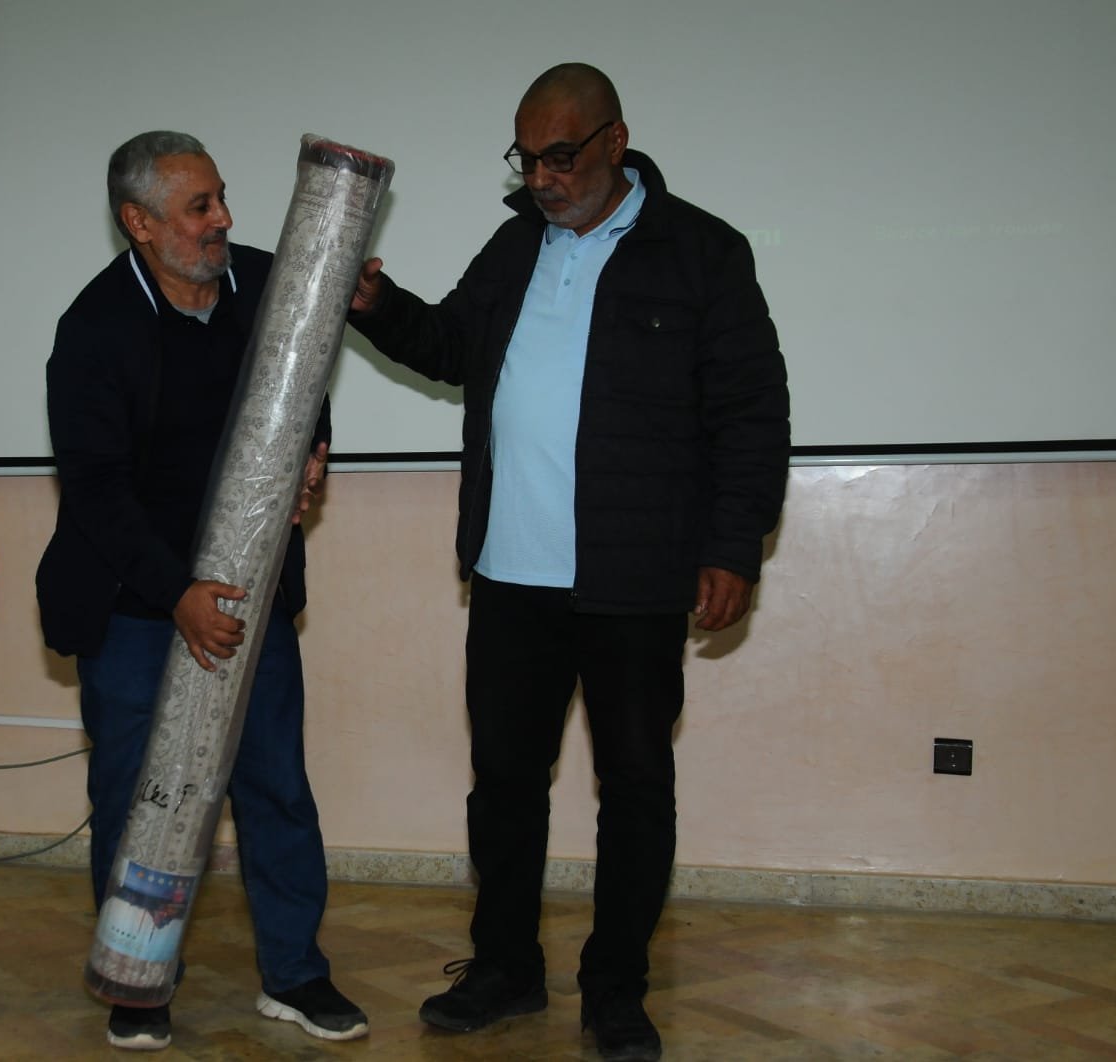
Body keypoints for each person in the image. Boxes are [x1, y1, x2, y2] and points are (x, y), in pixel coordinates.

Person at [348, 64, 790, 1061]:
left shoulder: (702, 252)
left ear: (613, 141)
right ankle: (505, 968)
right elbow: (451, 346)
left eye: (559, 157)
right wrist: (378, 303)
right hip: (511, 572)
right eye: (527, 159)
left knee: (634, 787)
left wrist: (733, 547)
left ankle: (616, 989)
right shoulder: (516, 244)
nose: (541, 179)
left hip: (633, 577)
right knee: (504, 782)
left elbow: (751, 412)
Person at [35, 130, 365, 1052]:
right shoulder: (94, 330)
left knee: (275, 787)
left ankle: (296, 975)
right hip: (136, 603)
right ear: (139, 223)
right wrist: (177, 591)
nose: (222, 219)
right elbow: (95, 489)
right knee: (137, 793)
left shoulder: (262, 283)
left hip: (251, 597)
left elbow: (307, 384)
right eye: (198, 207)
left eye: (220, 197)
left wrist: (314, 450)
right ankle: (140, 981)